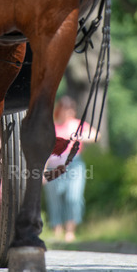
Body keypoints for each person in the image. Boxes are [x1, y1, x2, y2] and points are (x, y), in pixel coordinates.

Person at [43, 96, 94, 242]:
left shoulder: (77, 124)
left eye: (71, 109)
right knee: (54, 199)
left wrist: (82, 137)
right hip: (53, 166)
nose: (69, 112)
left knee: (74, 197)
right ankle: (57, 231)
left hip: (73, 165)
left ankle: (70, 231)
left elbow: (96, 135)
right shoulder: (52, 127)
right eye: (66, 109)